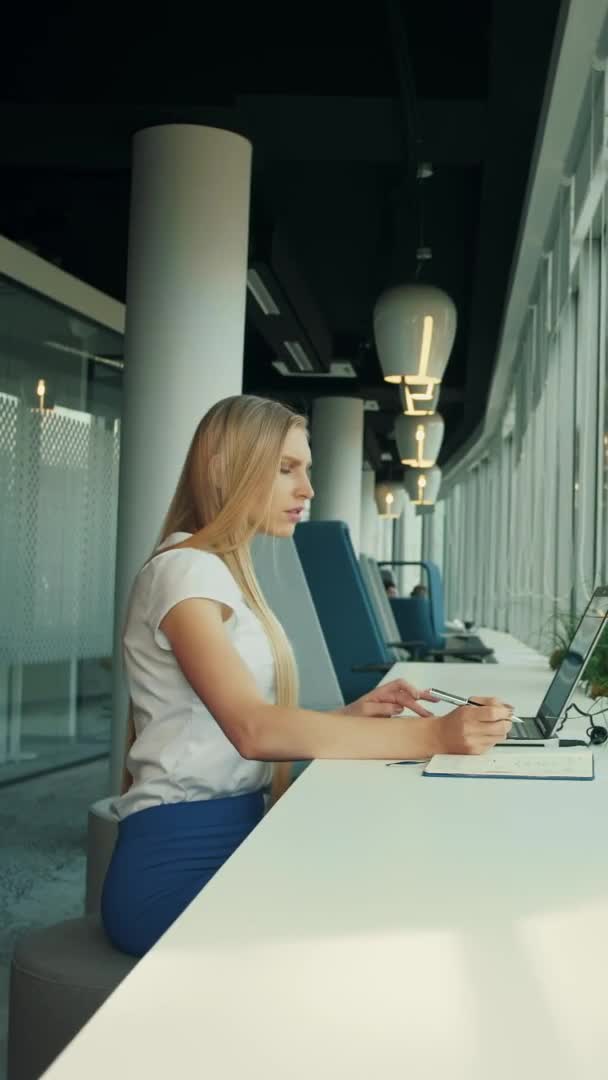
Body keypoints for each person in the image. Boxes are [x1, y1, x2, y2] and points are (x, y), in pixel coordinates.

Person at [101, 395, 512, 956]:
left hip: (230, 835)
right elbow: (252, 730)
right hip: (178, 867)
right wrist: (434, 736)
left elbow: (226, 731)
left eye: (308, 470)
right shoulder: (185, 570)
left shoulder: (215, 574)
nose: (307, 490)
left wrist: (345, 719)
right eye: (287, 469)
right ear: (224, 467)